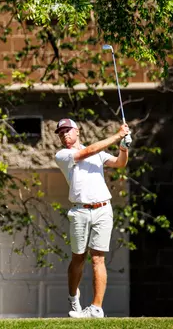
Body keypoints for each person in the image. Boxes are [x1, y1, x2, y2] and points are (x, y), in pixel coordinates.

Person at [54, 118, 130, 318]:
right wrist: (117, 135)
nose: (64, 135)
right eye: (60, 133)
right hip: (79, 211)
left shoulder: (97, 152)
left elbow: (120, 163)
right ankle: (73, 296)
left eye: (67, 131)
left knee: (98, 258)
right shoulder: (63, 155)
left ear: (77, 131)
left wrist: (123, 147)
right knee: (78, 258)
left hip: (103, 209)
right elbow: (87, 152)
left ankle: (96, 308)